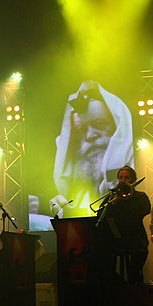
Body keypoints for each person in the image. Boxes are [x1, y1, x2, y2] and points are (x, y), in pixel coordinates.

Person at [51, 80, 134, 216]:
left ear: (116, 127)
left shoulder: (135, 195)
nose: (90, 136)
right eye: (82, 129)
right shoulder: (64, 202)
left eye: (99, 124)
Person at [98, 166, 151, 284]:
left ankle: (134, 284)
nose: (123, 180)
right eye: (121, 178)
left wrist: (127, 201)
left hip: (135, 238)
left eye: (127, 178)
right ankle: (118, 283)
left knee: (138, 259)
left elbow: (145, 210)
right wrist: (114, 203)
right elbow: (100, 213)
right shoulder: (112, 196)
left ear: (133, 179)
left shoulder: (140, 196)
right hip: (116, 239)